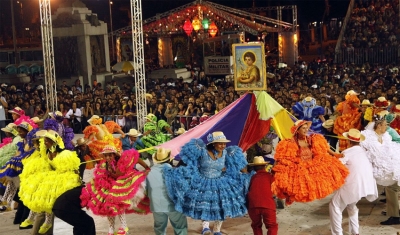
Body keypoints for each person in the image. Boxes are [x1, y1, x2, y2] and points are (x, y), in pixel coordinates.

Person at [163, 131, 250, 235]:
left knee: (221, 205)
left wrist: (247, 175)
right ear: (213, 143)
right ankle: (205, 228)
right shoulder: (202, 150)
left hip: (221, 182)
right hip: (203, 181)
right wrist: (178, 171)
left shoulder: (228, 153)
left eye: (224, 143)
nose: (223, 146)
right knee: (205, 205)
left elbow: (239, 166)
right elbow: (187, 160)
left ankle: (217, 230)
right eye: (220, 143)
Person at [18, 130, 81, 234]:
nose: (44, 142)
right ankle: (34, 220)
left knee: (46, 207)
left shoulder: (64, 154)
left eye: (47, 140)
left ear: (54, 141)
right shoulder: (46, 153)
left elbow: (71, 170)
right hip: (50, 181)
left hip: (62, 182)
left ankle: (44, 224)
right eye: (44, 140)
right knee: (41, 200)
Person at [272, 120, 349, 204]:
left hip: (312, 165)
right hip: (300, 167)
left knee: (328, 169)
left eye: (307, 128)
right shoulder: (290, 143)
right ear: (297, 130)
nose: (306, 130)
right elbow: (282, 157)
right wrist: (275, 167)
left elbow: (324, 147)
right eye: (303, 128)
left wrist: (335, 154)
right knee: (294, 185)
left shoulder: (312, 139)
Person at [80, 146, 151, 235]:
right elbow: (100, 176)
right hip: (109, 185)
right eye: (105, 156)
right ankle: (111, 228)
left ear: (114, 155)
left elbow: (135, 158)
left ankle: (124, 227)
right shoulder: (104, 165)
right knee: (107, 207)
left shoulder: (122, 160)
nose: (108, 157)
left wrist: (147, 167)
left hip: (122, 183)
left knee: (118, 203)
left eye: (110, 155)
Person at [329, 129, 378, 235]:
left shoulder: (347, 152)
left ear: (348, 141)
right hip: (366, 185)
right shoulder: (363, 152)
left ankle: (338, 233)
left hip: (353, 185)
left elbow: (337, 166)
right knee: (351, 206)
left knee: (334, 206)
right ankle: (355, 232)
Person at [360, 115, 400, 225]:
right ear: (378, 126)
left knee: (392, 188)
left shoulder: (386, 135)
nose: (387, 127)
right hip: (384, 166)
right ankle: (395, 212)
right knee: (393, 187)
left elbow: (390, 148)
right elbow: (372, 152)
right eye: (385, 125)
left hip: (392, 164)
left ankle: (395, 215)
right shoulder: (369, 137)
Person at [146, 148, 188, 235]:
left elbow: (146, 190)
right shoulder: (174, 172)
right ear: (169, 159)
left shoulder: (148, 173)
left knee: (159, 229)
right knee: (180, 227)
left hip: (156, 206)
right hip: (173, 206)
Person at [0, 122, 37, 212]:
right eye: (19, 131)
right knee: (12, 182)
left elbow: (27, 154)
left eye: (21, 131)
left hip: (27, 167)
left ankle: (5, 201)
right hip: (19, 167)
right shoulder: (22, 142)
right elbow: (19, 153)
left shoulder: (31, 142)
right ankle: (6, 202)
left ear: (26, 131)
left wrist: (16, 159)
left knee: (12, 181)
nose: (19, 133)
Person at [247, 156, 278, 235]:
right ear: (265, 166)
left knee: (256, 226)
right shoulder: (270, 176)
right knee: (272, 226)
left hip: (253, 206)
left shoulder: (252, 177)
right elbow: (275, 189)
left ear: (254, 168)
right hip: (268, 205)